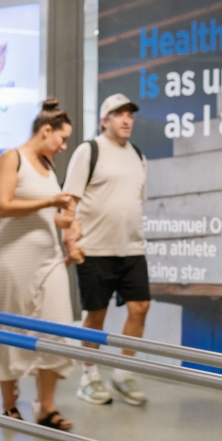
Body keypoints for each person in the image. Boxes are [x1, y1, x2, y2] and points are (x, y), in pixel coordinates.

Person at [0, 99, 78, 431]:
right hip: (11, 258)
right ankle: (10, 405)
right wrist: (52, 201)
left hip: (48, 259)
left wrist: (68, 223)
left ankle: (47, 406)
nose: (63, 145)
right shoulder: (11, 158)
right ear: (45, 130)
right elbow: (2, 206)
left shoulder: (47, 165)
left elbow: (43, 215)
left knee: (56, 327)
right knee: (10, 329)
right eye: (62, 138)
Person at [62, 93, 150, 407]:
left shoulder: (138, 155)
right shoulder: (89, 151)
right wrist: (70, 240)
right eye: (118, 114)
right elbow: (68, 202)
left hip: (132, 248)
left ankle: (123, 374)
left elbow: (134, 200)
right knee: (95, 317)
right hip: (95, 249)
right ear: (104, 120)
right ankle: (88, 377)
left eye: (129, 114)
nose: (126, 119)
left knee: (140, 308)